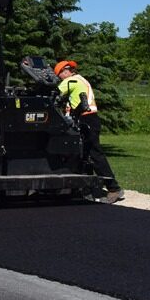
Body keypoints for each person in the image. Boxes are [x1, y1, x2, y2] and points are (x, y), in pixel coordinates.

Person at [55, 59, 124, 203]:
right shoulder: (81, 80)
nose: (59, 78)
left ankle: (114, 189)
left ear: (65, 71)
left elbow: (53, 94)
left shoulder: (71, 81)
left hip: (87, 120)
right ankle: (88, 188)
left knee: (95, 154)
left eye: (58, 75)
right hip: (89, 119)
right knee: (83, 155)